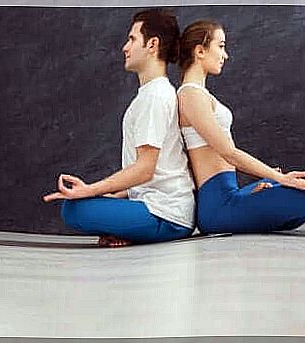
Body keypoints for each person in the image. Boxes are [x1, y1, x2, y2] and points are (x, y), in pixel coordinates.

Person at [43, 9, 195, 247]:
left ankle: (134, 231)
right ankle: (127, 231)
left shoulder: (155, 96)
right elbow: (158, 172)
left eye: (132, 39)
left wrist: (91, 190)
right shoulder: (154, 93)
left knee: (73, 210)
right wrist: (112, 197)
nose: (125, 47)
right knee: (83, 204)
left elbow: (145, 169)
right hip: (160, 208)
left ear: (152, 44)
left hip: (167, 216)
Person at [176, 20, 305, 235]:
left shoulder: (199, 94)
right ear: (200, 51)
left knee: (299, 189)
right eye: (221, 46)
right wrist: (280, 179)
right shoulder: (190, 95)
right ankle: (250, 202)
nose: (225, 55)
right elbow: (228, 153)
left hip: (229, 194)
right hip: (216, 207)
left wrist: (255, 188)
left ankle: (251, 199)